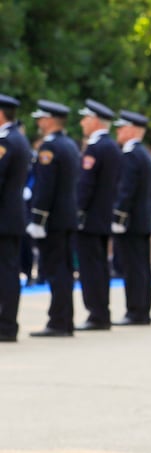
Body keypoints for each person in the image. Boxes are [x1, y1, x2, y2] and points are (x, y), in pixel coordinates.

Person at [27, 100, 81, 337]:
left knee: (56, 270)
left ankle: (59, 321)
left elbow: (45, 187)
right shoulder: (69, 144)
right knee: (65, 270)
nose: (39, 123)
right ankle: (64, 319)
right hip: (67, 216)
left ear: (49, 120)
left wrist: (38, 218)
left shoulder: (50, 148)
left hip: (54, 219)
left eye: (41, 118)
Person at [74, 100, 121, 331]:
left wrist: (78, 211)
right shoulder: (111, 146)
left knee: (91, 268)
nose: (82, 123)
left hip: (90, 218)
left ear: (94, 121)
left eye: (85, 118)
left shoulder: (95, 148)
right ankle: (101, 311)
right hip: (103, 216)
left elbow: (86, 185)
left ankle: (97, 314)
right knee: (100, 266)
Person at [111, 110, 151, 326]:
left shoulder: (131, 155)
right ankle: (142, 309)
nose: (118, 132)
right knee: (141, 267)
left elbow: (126, 190)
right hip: (142, 219)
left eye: (121, 128)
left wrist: (119, 217)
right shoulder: (143, 153)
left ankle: (136, 311)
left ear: (131, 130)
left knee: (134, 268)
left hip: (132, 221)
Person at [0, 94, 31, 342]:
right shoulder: (17, 139)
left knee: (6, 272)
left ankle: (6, 325)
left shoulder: (5, 141)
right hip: (10, 216)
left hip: (4, 218)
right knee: (8, 270)